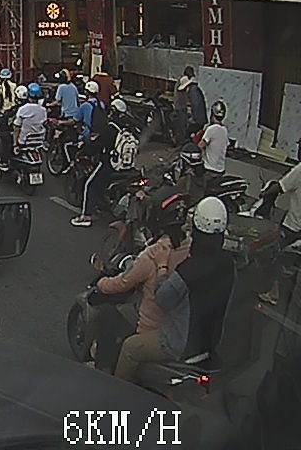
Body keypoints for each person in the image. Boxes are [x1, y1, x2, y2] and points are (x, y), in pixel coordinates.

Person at [115, 197, 234, 384]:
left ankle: (116, 391)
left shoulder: (188, 270)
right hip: (210, 339)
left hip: (179, 343)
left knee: (130, 348)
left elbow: (162, 298)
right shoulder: (228, 262)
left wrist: (162, 266)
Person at [94, 211, 192, 376]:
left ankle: (105, 372)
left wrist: (101, 283)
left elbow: (123, 283)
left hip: (152, 326)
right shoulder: (189, 252)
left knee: (108, 317)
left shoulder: (152, 256)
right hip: (180, 324)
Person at [258, 160, 301, 305]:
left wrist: (265, 193)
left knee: (274, 255)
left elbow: (281, 186)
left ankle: (273, 292)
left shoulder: (300, 170)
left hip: (293, 226)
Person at [70, 85, 112, 227]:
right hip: (105, 148)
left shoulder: (85, 106)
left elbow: (75, 120)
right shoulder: (102, 105)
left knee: (90, 184)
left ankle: (86, 216)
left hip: (91, 140)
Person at [196, 100, 229, 201]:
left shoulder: (211, 129)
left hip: (209, 170)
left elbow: (200, 146)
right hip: (220, 169)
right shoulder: (224, 130)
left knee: (202, 194)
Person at [13, 82, 49, 147]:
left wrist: (15, 144)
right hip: (39, 142)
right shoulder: (43, 110)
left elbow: (16, 128)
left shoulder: (22, 109)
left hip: (24, 142)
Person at [177, 67, 207, 141]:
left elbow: (196, 105)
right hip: (199, 119)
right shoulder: (194, 89)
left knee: (188, 135)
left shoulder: (193, 91)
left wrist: (193, 119)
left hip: (198, 120)